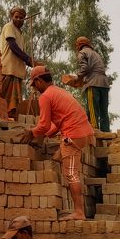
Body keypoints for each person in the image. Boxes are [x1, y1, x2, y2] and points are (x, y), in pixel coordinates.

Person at [19, 66, 95, 221]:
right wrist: (45, 135)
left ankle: (79, 212)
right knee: (56, 157)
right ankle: (57, 162)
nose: (35, 89)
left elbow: (44, 125)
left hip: (72, 135)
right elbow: (57, 123)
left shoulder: (46, 96)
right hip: (82, 132)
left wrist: (32, 132)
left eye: (34, 85)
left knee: (71, 174)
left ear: (39, 81)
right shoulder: (59, 91)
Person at [0, 7, 33, 120]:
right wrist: (28, 59)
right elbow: (13, 46)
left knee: (14, 102)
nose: (18, 19)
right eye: (16, 17)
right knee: (3, 96)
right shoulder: (9, 27)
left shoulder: (20, 34)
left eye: (21, 18)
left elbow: (21, 51)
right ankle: (1, 114)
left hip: (17, 71)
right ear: (11, 17)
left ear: (24, 19)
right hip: (8, 68)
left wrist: (31, 62)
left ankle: (10, 116)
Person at [71, 36, 110, 132]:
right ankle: (105, 132)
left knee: (92, 111)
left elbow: (85, 68)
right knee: (104, 111)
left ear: (79, 45)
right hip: (104, 84)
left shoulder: (82, 53)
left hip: (93, 84)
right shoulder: (96, 53)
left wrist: (77, 77)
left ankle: (94, 131)